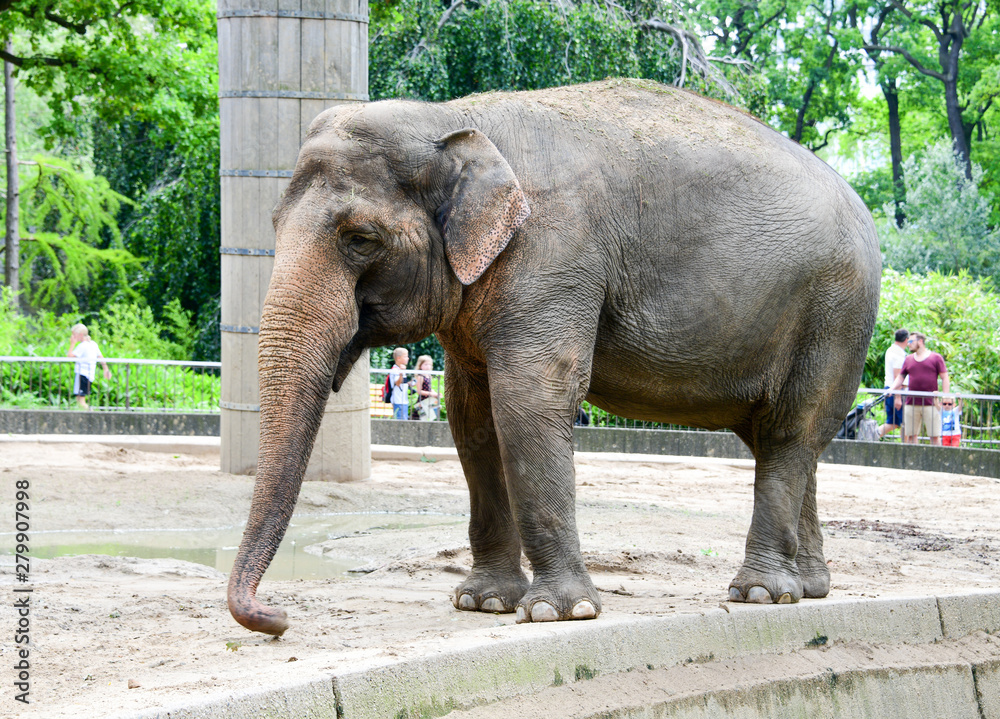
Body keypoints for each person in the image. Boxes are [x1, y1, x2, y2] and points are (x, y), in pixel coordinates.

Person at [887, 332, 949, 445]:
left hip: (931, 403)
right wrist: (892, 389)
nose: (909, 344)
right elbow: (900, 377)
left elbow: (944, 377)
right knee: (910, 436)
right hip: (912, 403)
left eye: (911, 341)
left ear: (920, 341)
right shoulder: (908, 359)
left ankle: (936, 461)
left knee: (934, 436)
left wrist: (945, 396)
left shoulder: (935, 357)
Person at [67, 323, 111, 409]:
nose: (72, 337)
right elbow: (101, 357)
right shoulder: (93, 344)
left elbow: (69, 357)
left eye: (74, 335)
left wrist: (72, 343)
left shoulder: (82, 346)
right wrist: (106, 369)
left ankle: (91, 414)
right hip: (89, 375)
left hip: (82, 375)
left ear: (80, 335)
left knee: (81, 401)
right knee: (80, 399)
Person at [879, 328, 909, 439]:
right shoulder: (898, 353)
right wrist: (898, 397)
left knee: (893, 422)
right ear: (906, 340)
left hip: (890, 389)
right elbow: (898, 376)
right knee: (905, 423)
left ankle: (870, 436)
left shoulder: (891, 350)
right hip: (897, 390)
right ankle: (907, 449)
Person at [413, 355, 440, 421]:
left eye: (430, 364)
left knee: (429, 418)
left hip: (428, 401)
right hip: (422, 401)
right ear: (420, 366)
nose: (428, 366)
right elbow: (419, 391)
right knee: (421, 419)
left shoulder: (429, 376)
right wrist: (430, 394)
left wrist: (435, 393)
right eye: (426, 364)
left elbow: (429, 388)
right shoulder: (421, 376)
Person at [388, 347, 411, 420]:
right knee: (400, 421)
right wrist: (401, 373)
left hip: (403, 400)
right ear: (398, 358)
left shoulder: (401, 369)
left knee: (404, 420)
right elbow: (397, 383)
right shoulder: (395, 370)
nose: (408, 358)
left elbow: (402, 383)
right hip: (398, 400)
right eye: (405, 356)